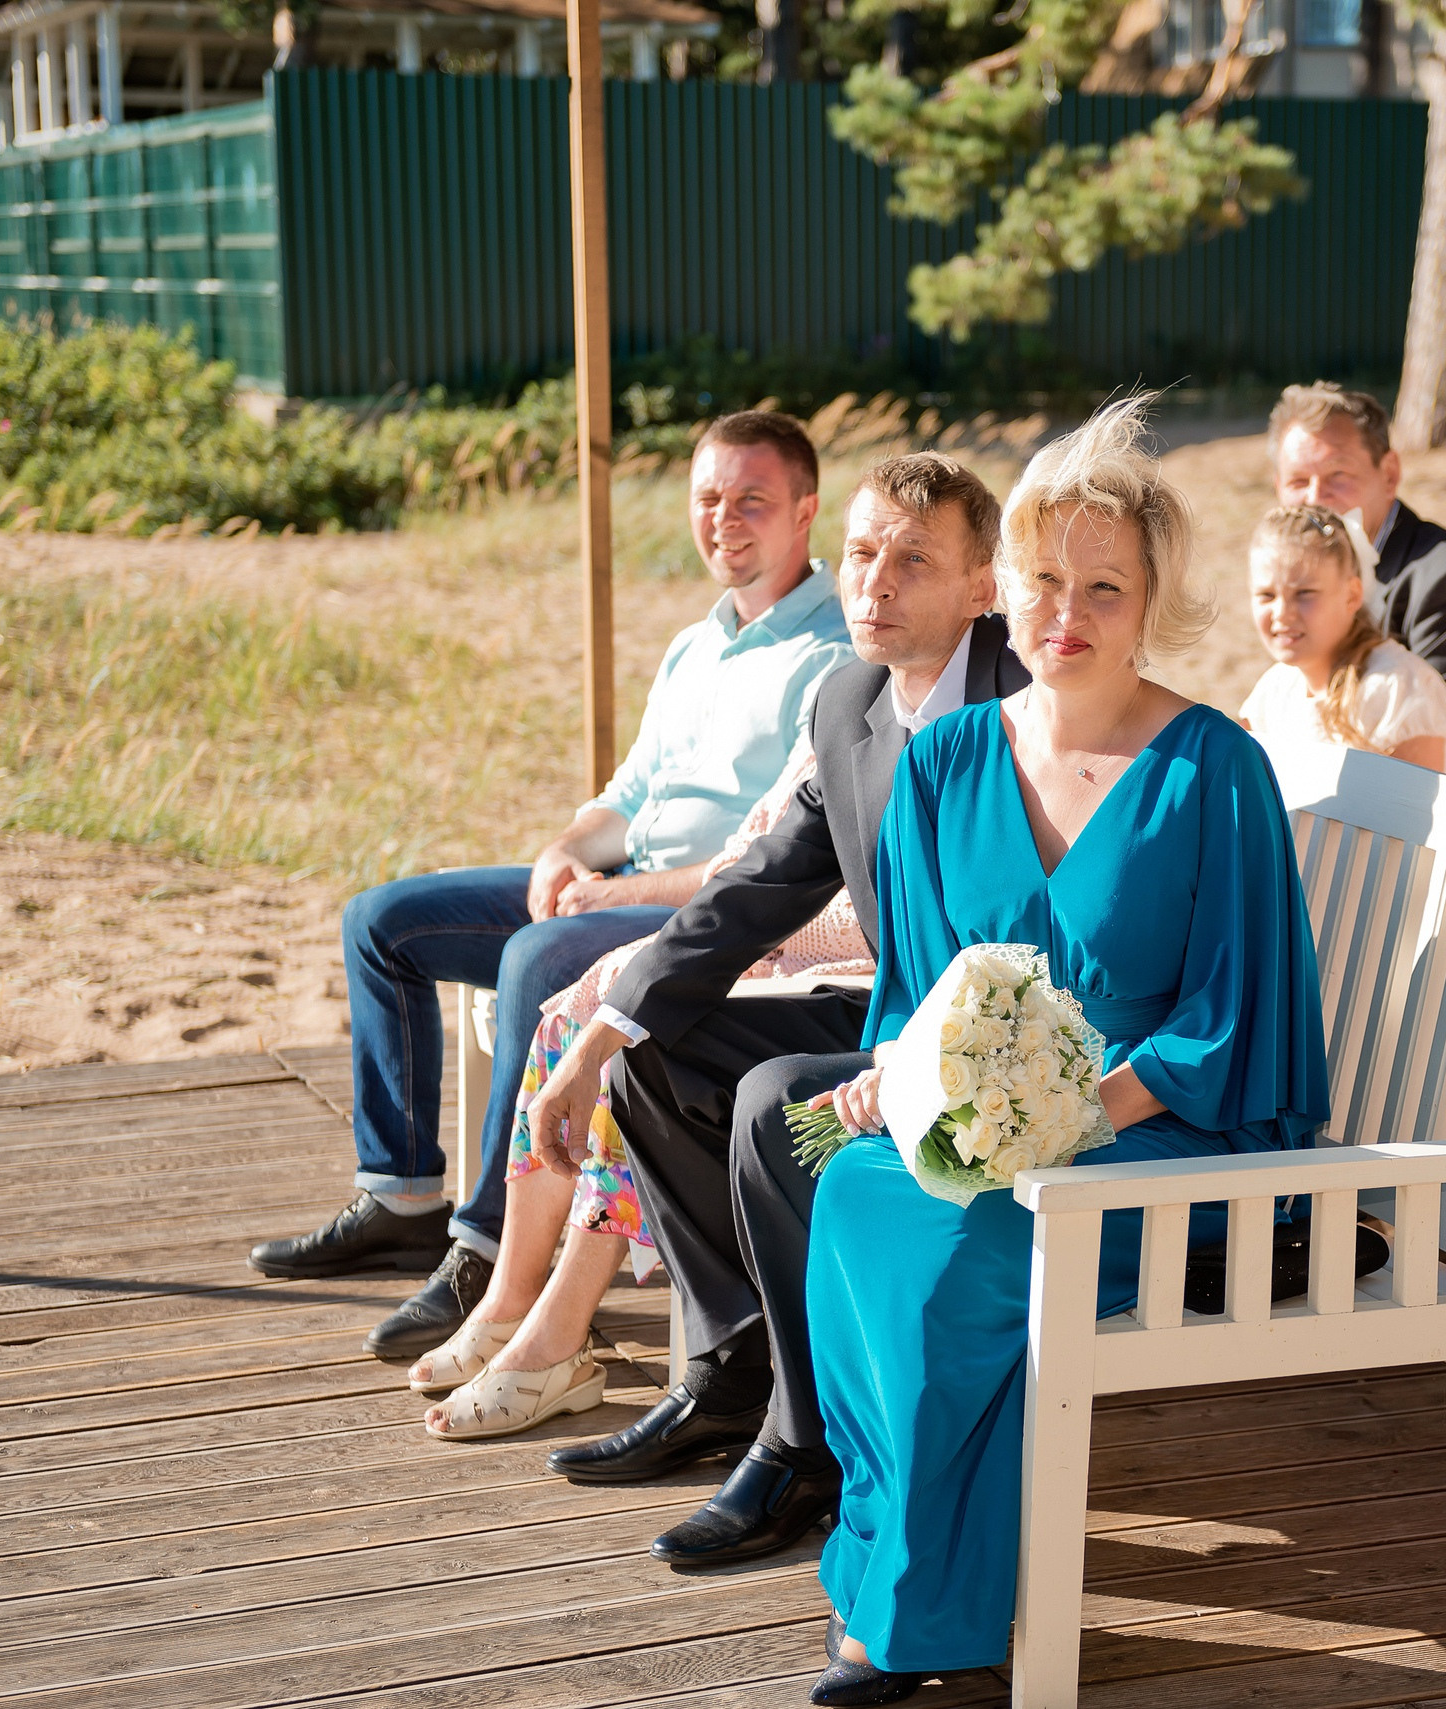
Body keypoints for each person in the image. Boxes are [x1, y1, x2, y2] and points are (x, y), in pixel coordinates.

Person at [799, 398, 1330, 1705]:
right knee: (856, 1193)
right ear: (1004, 593)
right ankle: (884, 1557)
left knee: (963, 1252)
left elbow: (1230, 1017)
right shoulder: (947, 762)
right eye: (1045, 580)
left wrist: (1080, 1111)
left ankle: (916, 1618)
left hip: (1156, 1135)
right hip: (988, 1138)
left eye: (1105, 585)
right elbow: (920, 993)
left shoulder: (1215, 770)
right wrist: (899, 1083)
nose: (1068, 611)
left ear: (1151, 602)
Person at [248, 411, 853, 1359]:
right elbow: (629, 794)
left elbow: (771, 861)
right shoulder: (697, 644)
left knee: (534, 957)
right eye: (707, 499)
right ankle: (402, 1190)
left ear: (806, 511)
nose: (724, 519)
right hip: (618, 881)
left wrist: (625, 893)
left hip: (701, 913)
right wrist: (567, 847)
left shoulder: (831, 657)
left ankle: (487, 1249)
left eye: (752, 501)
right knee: (382, 922)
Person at [512, 453, 1026, 1565]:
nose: (872, 583)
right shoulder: (847, 696)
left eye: (911, 559)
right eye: (860, 554)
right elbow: (754, 891)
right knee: (660, 1058)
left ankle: (808, 1443)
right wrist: (603, 1030)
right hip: (887, 1018)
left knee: (768, 1097)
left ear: (982, 584)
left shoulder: (1024, 703)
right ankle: (735, 1369)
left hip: (995, 1046)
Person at [398, 731, 876, 1439]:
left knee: (648, 1043)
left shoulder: (951, 721)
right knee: (583, 1016)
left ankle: (557, 1336)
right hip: (762, 945)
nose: (869, 610)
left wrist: (757, 939)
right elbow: (745, 861)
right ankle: (509, 1301)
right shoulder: (847, 705)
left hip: (840, 975)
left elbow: (855, 920)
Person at [1269, 381, 1446, 732]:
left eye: (1338, 475)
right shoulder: (1288, 591)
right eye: (1298, 481)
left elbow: (1444, 741)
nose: (1316, 498)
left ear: (1389, 474)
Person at [1240, 502, 1446, 775]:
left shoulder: (1399, 688)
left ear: (1352, 595)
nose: (1282, 613)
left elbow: (1409, 813)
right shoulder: (1274, 691)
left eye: (1305, 593)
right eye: (1266, 595)